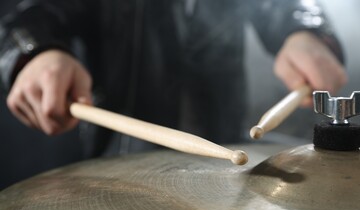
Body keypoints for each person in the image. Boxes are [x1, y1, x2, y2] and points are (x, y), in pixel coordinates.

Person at [0, 0, 346, 159]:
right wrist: (35, 52)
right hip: (120, 162)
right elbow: (34, 15)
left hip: (228, 147)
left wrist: (307, 30)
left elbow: (283, 6)